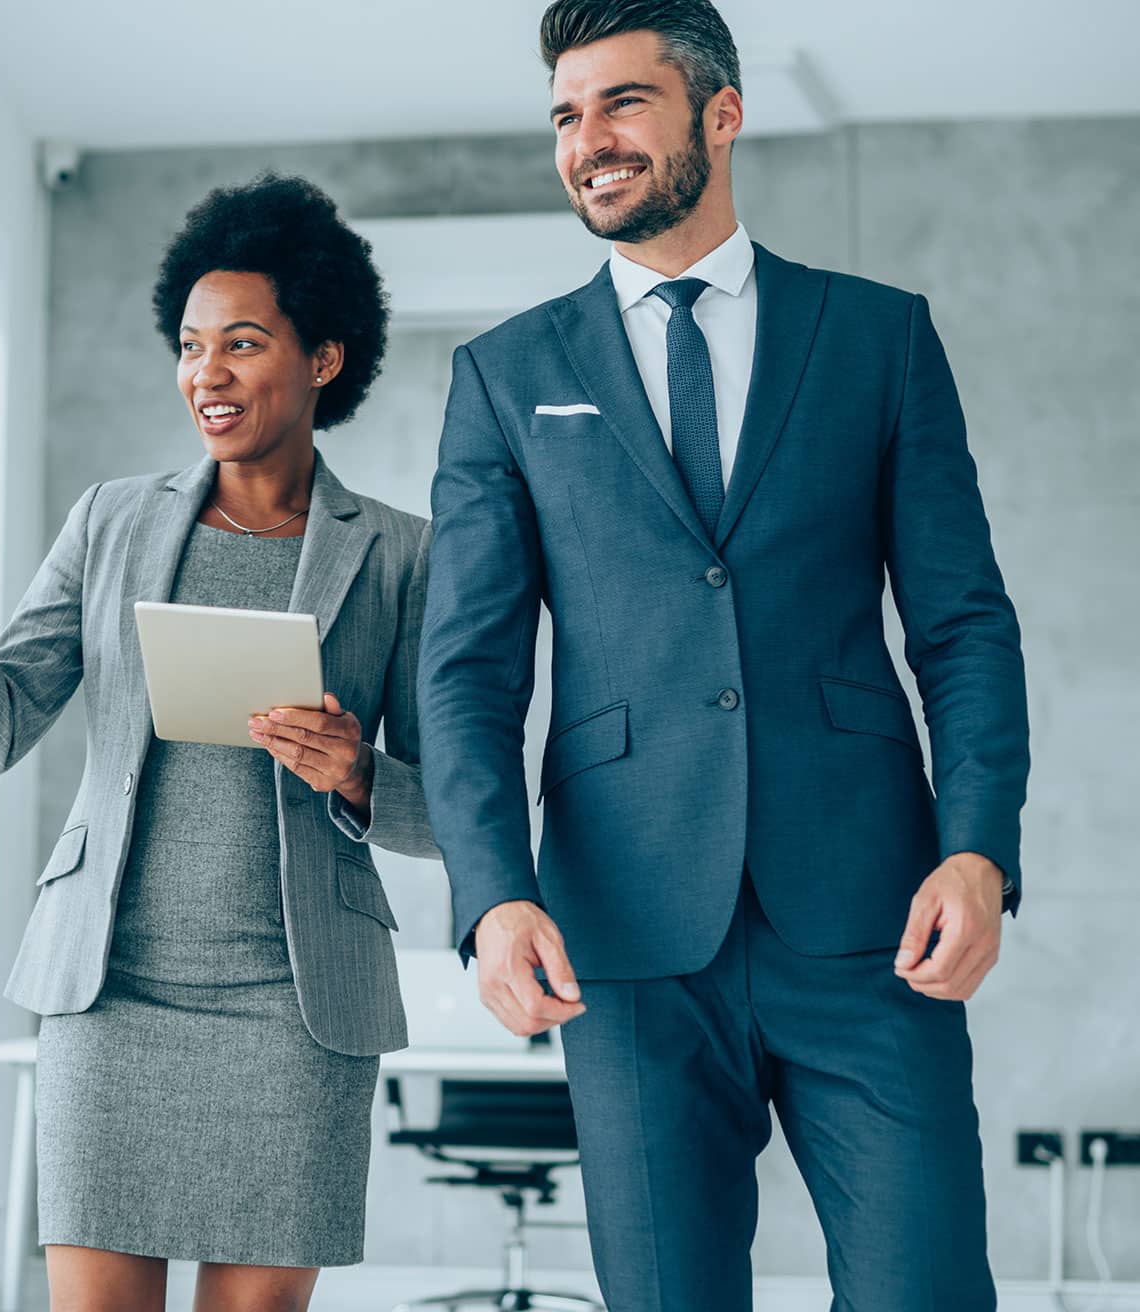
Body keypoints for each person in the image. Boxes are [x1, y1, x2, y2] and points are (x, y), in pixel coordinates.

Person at [416, 2, 1029, 1308]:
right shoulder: (506, 373)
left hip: (873, 922)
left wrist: (976, 850)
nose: (590, 140)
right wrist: (490, 892)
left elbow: (963, 625)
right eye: (567, 116)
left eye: (624, 103)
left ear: (721, 112)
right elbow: (468, 671)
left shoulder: (876, 340)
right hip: (625, 940)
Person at [0, 174, 438, 1312]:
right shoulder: (113, 520)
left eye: (243, 343)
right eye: (192, 344)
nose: (206, 373)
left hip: (293, 1014)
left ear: (325, 360)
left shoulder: (401, 554)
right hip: (110, 1000)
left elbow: (453, 807)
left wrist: (357, 771)